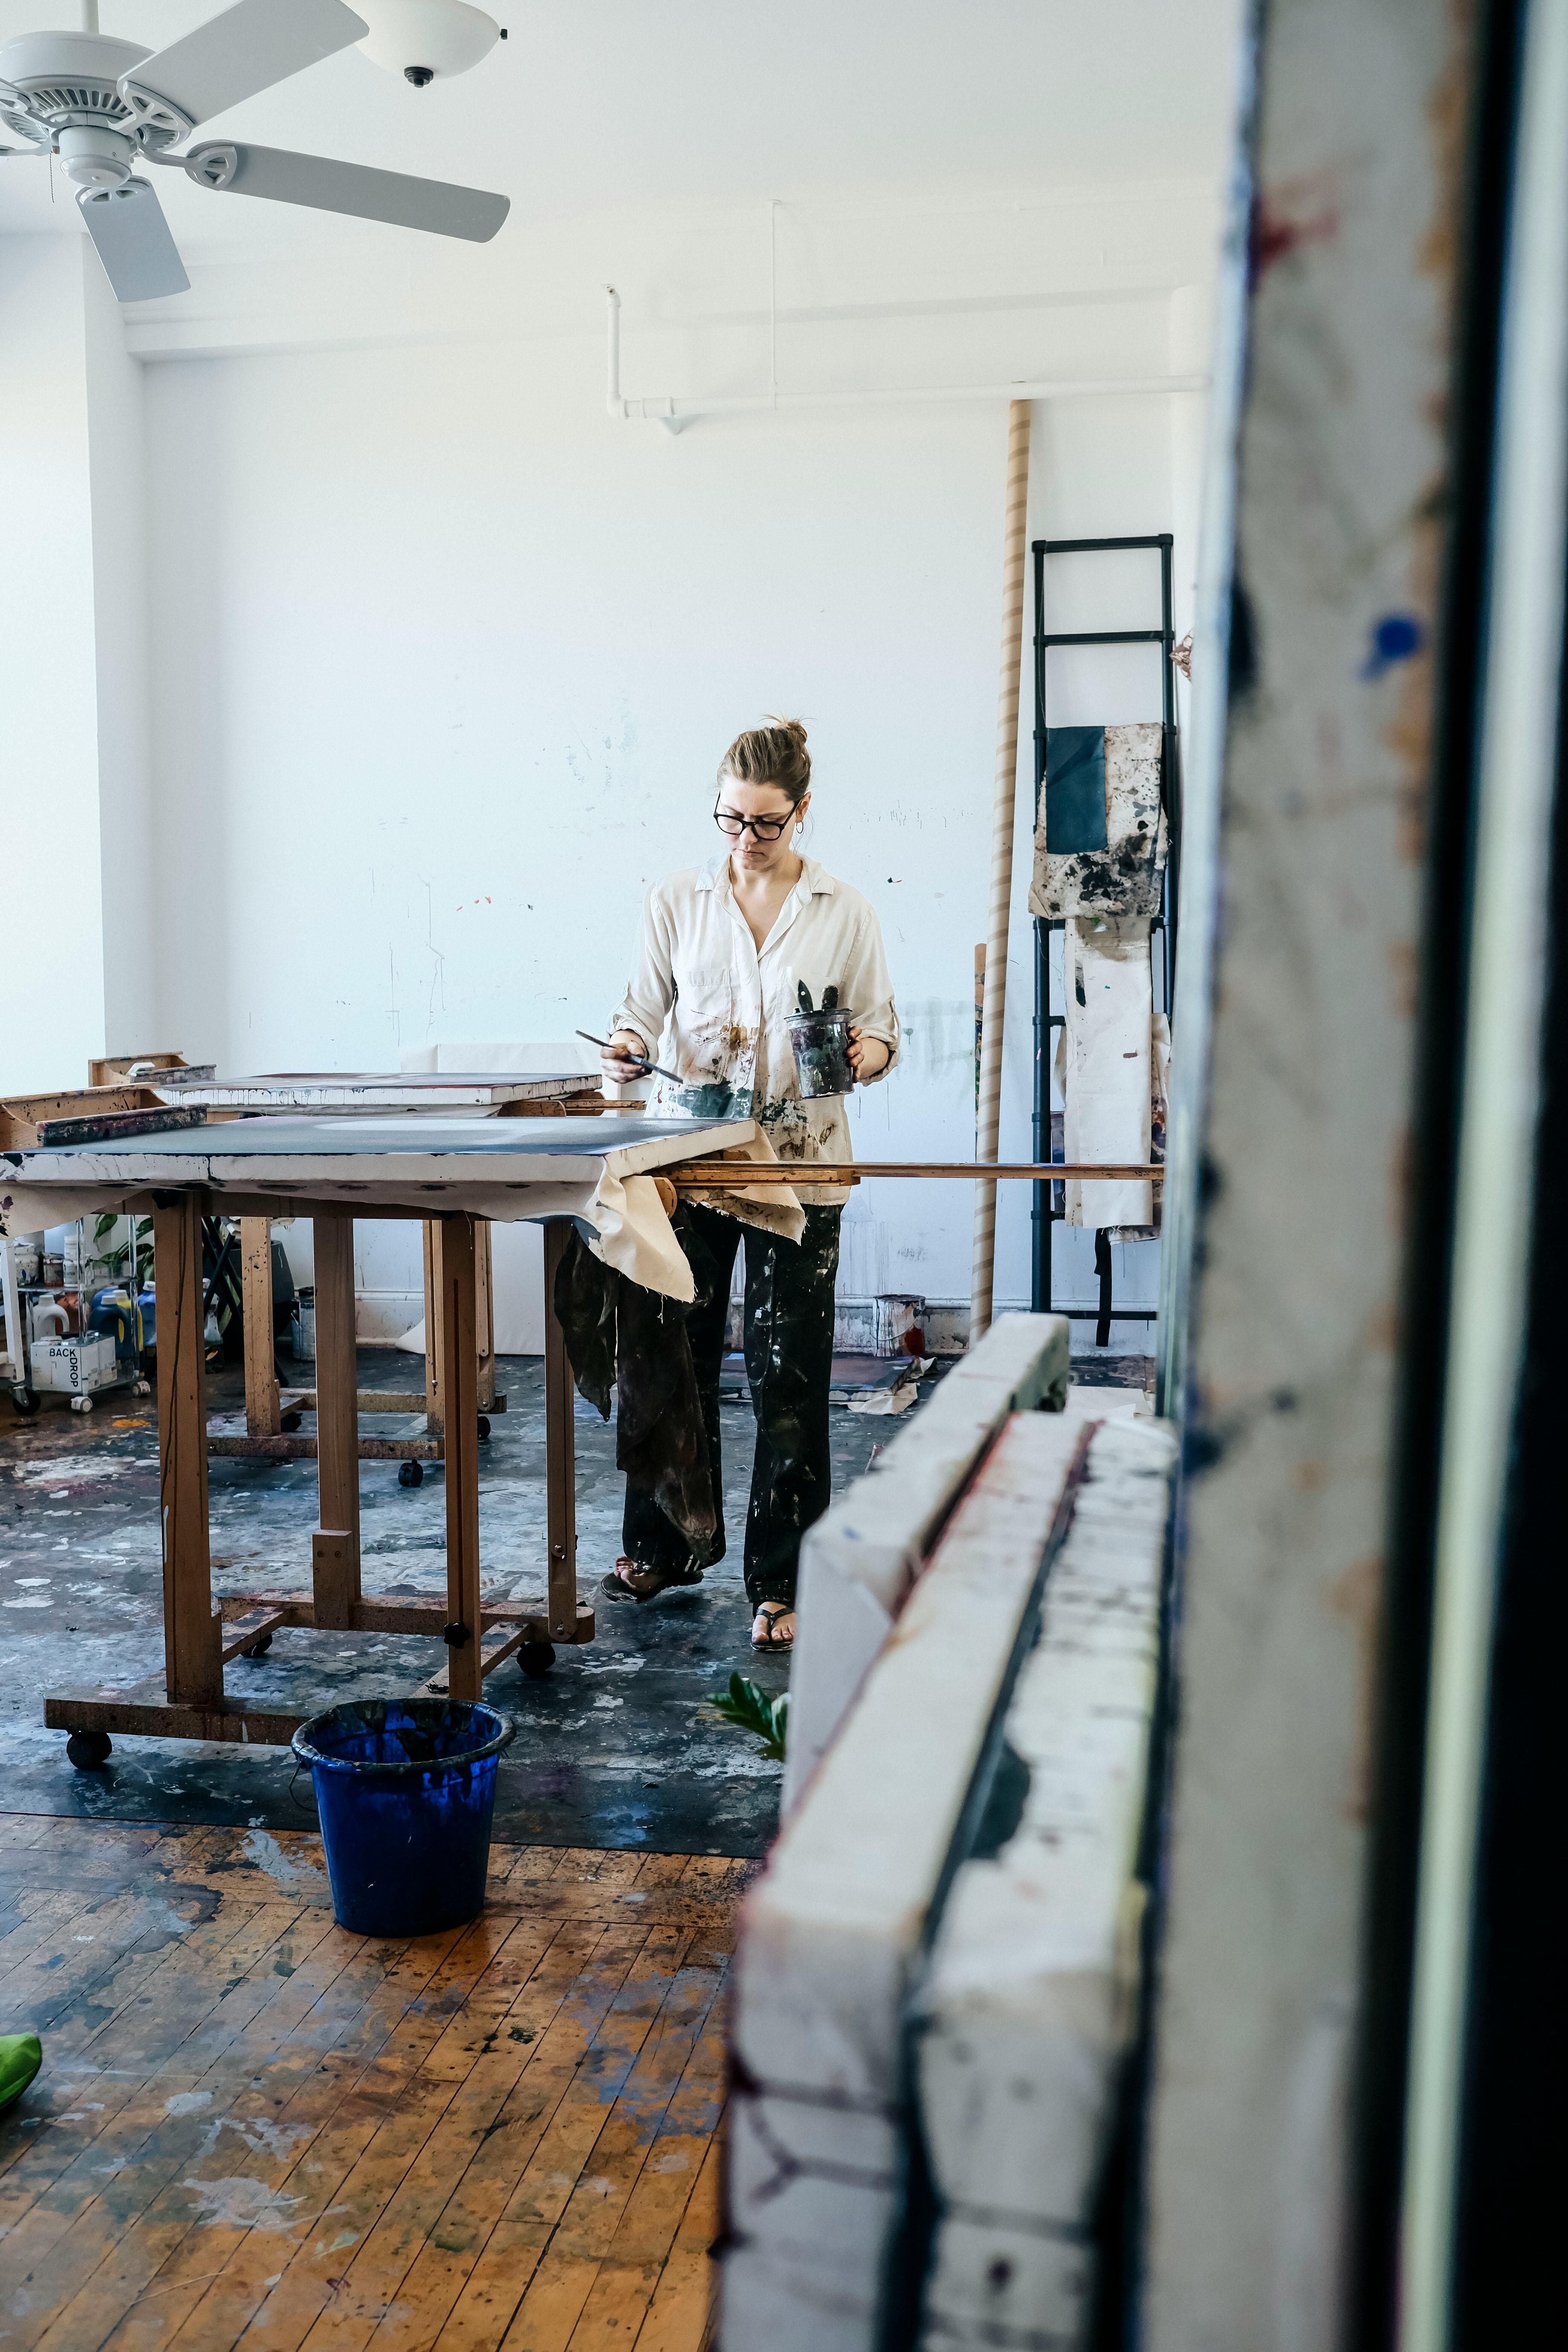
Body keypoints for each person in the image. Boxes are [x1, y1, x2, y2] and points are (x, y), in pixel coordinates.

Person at [600, 717, 900, 1652]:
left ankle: (779, 1581)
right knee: (670, 1363)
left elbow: (883, 1030)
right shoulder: (677, 901)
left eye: (765, 824)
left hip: (801, 1167)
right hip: (692, 1165)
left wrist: (866, 1050)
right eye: (729, 820)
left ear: (801, 813)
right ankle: (665, 1546)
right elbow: (638, 1015)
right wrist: (627, 1051)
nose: (743, 841)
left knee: (788, 1376)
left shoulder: (841, 909)